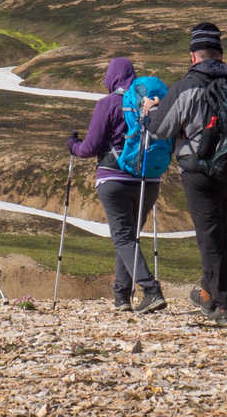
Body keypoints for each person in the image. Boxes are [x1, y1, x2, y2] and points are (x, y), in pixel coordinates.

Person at [142, 22, 227, 325]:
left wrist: (151, 110)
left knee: (209, 236)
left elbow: (160, 129)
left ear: (193, 55)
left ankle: (223, 304)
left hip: (198, 170)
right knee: (220, 232)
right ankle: (208, 292)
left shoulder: (186, 86)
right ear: (220, 54)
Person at [69, 58, 167, 313]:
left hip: (113, 178)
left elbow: (89, 148)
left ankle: (151, 290)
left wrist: (72, 145)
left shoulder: (108, 104)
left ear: (112, 76)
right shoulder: (146, 103)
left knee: (123, 238)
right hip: (149, 179)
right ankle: (121, 297)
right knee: (129, 238)